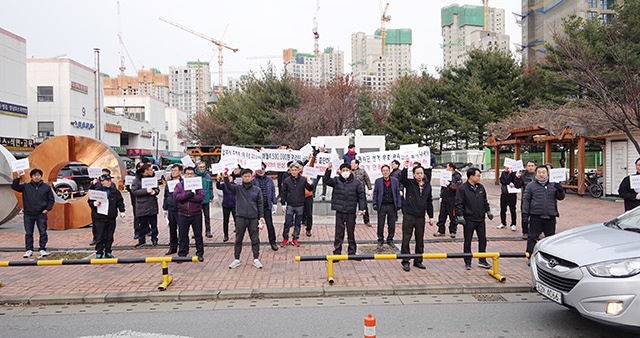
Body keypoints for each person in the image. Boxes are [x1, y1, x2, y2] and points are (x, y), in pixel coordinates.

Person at [522, 165, 566, 265]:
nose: (541, 174)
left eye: (543, 172)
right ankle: (530, 255)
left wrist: (560, 189)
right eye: (539, 172)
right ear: (536, 174)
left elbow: (561, 197)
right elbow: (526, 200)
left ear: (547, 173)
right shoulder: (531, 186)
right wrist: (525, 214)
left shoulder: (553, 185)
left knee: (550, 238)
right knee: (532, 237)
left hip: (550, 215)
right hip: (536, 216)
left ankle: (549, 257)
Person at [225, 168, 265, 269]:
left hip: (253, 218)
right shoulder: (237, 188)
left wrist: (261, 216)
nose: (247, 178)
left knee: (255, 239)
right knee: (238, 238)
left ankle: (256, 258)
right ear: (242, 177)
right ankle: (236, 259)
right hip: (240, 217)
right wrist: (225, 176)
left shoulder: (257, 190)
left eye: (248, 176)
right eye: (244, 176)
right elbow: (229, 186)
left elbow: (260, 204)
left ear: (252, 177)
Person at [398, 158, 434, 272]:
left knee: (420, 239)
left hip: (420, 216)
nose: (419, 175)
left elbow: (429, 201)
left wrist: (431, 216)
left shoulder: (427, 186)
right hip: (409, 215)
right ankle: (405, 261)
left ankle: (418, 260)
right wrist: (405, 167)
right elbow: (402, 179)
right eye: (417, 173)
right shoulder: (410, 183)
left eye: (421, 173)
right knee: (406, 238)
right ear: (413, 174)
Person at [324, 162, 367, 255]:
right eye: (343, 170)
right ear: (340, 171)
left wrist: (361, 208)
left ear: (350, 171)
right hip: (340, 211)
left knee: (350, 232)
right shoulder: (336, 180)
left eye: (347, 170)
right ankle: (337, 251)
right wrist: (328, 170)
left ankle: (352, 252)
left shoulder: (356, 182)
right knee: (339, 233)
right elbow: (326, 181)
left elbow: (361, 196)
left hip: (351, 211)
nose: (345, 172)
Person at [456, 168, 493, 270]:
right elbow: (459, 203)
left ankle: (482, 259)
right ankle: (467, 261)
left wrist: (488, 211)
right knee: (468, 240)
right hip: (469, 219)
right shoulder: (463, 188)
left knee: (483, 239)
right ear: (471, 176)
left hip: (480, 219)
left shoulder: (481, 187)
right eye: (477, 175)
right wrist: (460, 216)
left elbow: (485, 201)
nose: (479, 177)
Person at [11, 168, 55, 258]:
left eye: (38, 175)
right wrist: (18, 176)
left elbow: (51, 199)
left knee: (42, 231)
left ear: (41, 176)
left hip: (41, 213)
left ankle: (42, 248)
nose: (36, 177)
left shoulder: (46, 187)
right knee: (28, 232)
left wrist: (47, 209)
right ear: (31, 177)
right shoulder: (26, 186)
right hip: (28, 213)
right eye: (34, 175)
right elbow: (14, 186)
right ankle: (29, 249)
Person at [87, 174, 126, 258]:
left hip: (111, 217)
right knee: (100, 235)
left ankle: (108, 251)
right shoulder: (97, 191)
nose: (109, 182)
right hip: (99, 217)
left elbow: (120, 201)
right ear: (102, 182)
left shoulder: (114, 191)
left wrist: (122, 211)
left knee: (109, 236)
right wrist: (94, 203)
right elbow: (90, 201)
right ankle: (99, 251)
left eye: (110, 180)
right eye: (107, 180)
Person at [173, 166, 205, 262]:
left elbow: (201, 197)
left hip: (196, 213)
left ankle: (200, 253)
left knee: (198, 235)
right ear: (184, 175)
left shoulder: (198, 185)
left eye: (191, 174)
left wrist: (189, 197)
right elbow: (176, 196)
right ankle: (182, 253)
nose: (190, 176)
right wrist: (186, 195)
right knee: (182, 235)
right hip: (183, 214)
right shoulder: (179, 185)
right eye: (188, 174)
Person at [280, 162, 314, 247]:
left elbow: (309, 189)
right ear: (290, 171)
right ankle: (285, 238)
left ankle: (295, 238)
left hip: (300, 204)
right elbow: (283, 192)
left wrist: (311, 183)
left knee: (298, 223)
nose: (294, 172)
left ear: (299, 170)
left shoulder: (303, 180)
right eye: (292, 170)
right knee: (287, 222)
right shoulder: (287, 180)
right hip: (290, 204)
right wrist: (283, 203)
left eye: (295, 170)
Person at [372, 164, 402, 248]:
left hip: (392, 205)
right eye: (383, 171)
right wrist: (375, 203)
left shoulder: (395, 181)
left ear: (389, 171)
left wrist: (399, 204)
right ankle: (380, 239)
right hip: (382, 206)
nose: (385, 172)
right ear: (381, 172)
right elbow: (375, 193)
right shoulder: (378, 181)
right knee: (380, 224)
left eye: (387, 171)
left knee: (391, 223)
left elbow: (397, 193)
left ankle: (390, 239)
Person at [131, 163, 160, 247]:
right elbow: (134, 191)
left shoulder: (153, 179)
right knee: (142, 224)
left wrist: (155, 192)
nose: (152, 171)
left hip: (152, 205)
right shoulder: (137, 180)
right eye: (150, 170)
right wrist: (145, 191)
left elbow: (157, 189)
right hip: (142, 205)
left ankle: (154, 239)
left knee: (154, 224)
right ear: (145, 171)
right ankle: (141, 240)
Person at [254, 162, 279, 251]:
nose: (261, 171)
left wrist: (274, 202)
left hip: (266, 206)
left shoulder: (269, 179)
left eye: (263, 168)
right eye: (259, 169)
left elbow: (272, 191)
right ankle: (255, 244)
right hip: (256, 207)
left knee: (270, 225)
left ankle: (273, 242)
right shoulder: (253, 180)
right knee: (255, 226)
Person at [434, 162, 462, 238]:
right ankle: (441, 230)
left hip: (453, 199)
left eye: (447, 167)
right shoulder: (445, 175)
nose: (446, 169)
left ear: (451, 168)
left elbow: (458, 188)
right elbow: (442, 187)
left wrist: (450, 184)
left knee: (453, 216)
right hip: (445, 198)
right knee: (442, 215)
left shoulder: (457, 176)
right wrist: (441, 195)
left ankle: (453, 231)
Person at [88, 168, 112, 246]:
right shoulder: (96, 183)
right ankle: (96, 239)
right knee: (96, 225)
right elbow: (90, 194)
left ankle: (107, 246)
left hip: (108, 210)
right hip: (97, 209)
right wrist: (92, 184)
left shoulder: (111, 184)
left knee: (108, 230)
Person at [514, 160, 537, 239]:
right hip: (525, 199)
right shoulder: (523, 175)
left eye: (532, 166)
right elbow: (517, 185)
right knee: (525, 216)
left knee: (536, 216)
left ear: (535, 166)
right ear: (526, 167)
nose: (530, 167)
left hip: (536, 199)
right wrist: (517, 178)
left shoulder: (538, 175)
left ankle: (536, 231)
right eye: (529, 166)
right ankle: (525, 231)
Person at [162, 164, 182, 255]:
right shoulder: (169, 182)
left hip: (180, 208)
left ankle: (183, 247)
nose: (173, 172)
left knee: (182, 229)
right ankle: (173, 247)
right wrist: (165, 207)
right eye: (172, 170)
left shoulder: (183, 182)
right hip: (171, 208)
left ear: (180, 172)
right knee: (172, 228)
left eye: (175, 170)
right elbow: (166, 195)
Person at [216, 168, 239, 242]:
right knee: (225, 220)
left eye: (230, 177)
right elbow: (218, 186)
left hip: (234, 205)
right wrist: (218, 180)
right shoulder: (224, 185)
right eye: (228, 177)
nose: (229, 178)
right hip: (226, 205)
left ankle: (238, 234)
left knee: (237, 220)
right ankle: (226, 235)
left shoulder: (236, 186)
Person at [351, 159, 372, 227]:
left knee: (364, 207)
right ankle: (352, 221)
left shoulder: (362, 171)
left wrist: (370, 189)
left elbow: (367, 180)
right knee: (352, 207)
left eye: (352, 163)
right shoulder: (350, 172)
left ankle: (367, 221)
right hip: (352, 192)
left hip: (361, 192)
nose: (351, 165)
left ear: (356, 164)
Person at [195, 161, 214, 238]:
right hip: (197, 200)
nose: (202, 168)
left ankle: (208, 231)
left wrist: (211, 197)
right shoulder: (194, 176)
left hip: (206, 199)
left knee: (207, 216)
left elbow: (210, 188)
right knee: (197, 217)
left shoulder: (208, 176)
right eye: (200, 167)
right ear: (197, 168)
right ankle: (197, 232)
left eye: (203, 167)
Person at [498, 166, 518, 231]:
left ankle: (513, 224)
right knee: (503, 209)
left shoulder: (514, 174)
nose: (507, 168)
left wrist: (511, 174)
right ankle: (503, 222)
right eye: (506, 167)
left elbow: (515, 181)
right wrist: (508, 183)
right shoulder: (503, 173)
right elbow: (502, 181)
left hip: (512, 194)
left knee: (512, 209)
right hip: (504, 193)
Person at [130, 161, 144, 239]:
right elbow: (132, 190)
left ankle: (146, 230)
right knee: (137, 215)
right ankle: (137, 231)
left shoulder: (148, 177)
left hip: (146, 200)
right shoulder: (134, 177)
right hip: (136, 199)